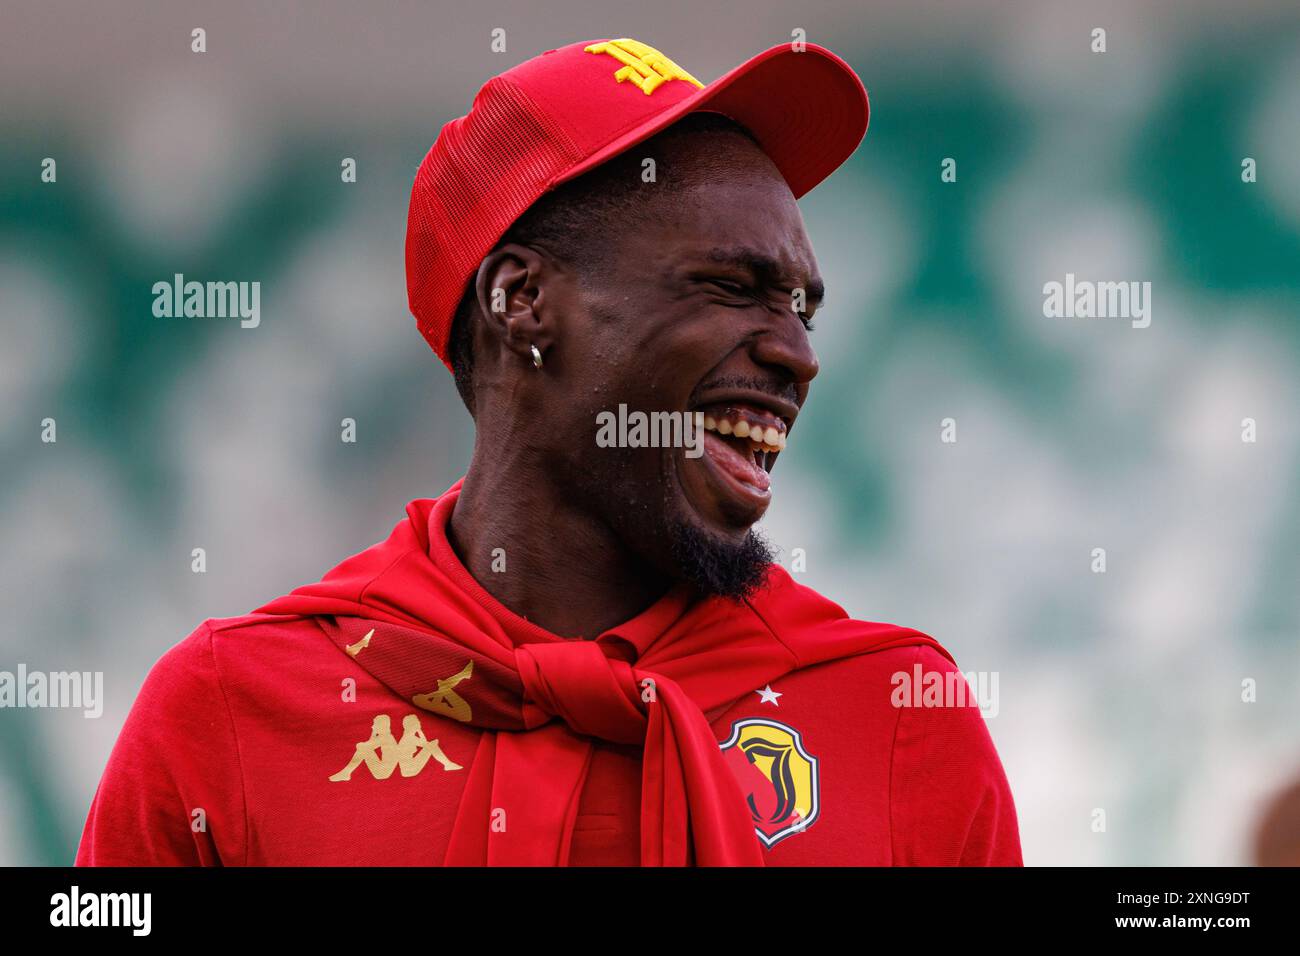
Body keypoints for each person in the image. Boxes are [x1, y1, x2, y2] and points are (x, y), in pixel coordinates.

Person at [76, 36, 1022, 866]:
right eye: (732, 286)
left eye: (803, 307)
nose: (799, 355)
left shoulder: (901, 718)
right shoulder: (227, 720)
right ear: (522, 301)